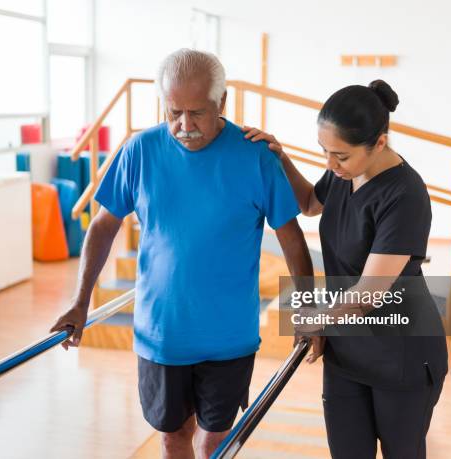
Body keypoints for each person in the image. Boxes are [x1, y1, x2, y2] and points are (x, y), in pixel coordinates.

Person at [49, 49, 323, 459]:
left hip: (229, 338)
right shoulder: (139, 151)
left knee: (216, 441)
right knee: (173, 438)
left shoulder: (255, 156)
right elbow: (104, 225)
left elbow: (293, 240)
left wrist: (308, 309)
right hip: (163, 335)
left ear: (223, 104)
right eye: (174, 111)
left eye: (197, 113)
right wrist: (80, 300)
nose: (184, 125)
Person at [243, 80, 448, 459]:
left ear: (380, 144)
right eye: (324, 152)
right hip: (347, 352)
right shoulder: (345, 174)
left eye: (340, 155)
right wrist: (279, 156)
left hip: (400, 354)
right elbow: (308, 203)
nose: (330, 164)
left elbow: (370, 291)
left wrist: (314, 318)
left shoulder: (405, 195)